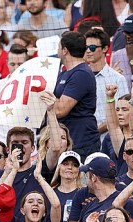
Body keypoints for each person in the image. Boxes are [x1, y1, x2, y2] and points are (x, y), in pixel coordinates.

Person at [54, 31, 100, 159]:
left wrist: (47, 99)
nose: (57, 50)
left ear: (65, 50)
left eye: (59, 47)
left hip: (81, 140)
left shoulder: (81, 74)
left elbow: (60, 110)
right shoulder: (64, 73)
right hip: (68, 138)